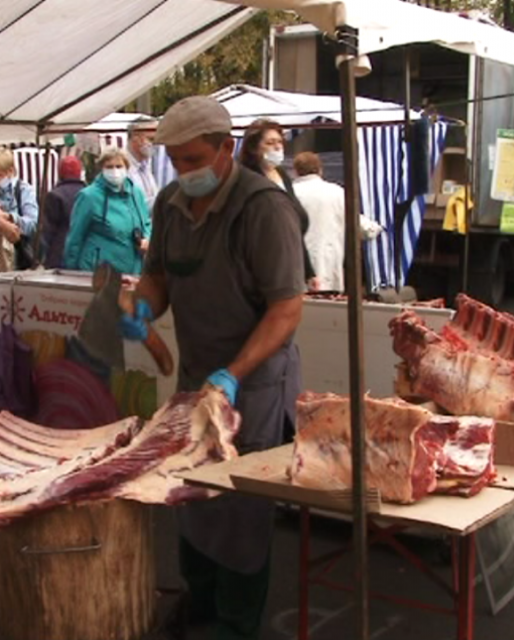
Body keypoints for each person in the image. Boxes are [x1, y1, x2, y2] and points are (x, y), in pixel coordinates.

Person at [121, 96, 304, 639]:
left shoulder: (264, 207)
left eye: (193, 160)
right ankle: (200, 601)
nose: (183, 172)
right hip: (196, 375)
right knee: (191, 492)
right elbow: (159, 275)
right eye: (174, 161)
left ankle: (237, 620)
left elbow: (287, 309)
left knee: (241, 504)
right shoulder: (171, 203)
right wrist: (144, 308)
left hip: (255, 380)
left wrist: (235, 372)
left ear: (228, 148)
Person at [239, 119, 318, 291]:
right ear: (253, 148)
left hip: (291, 261)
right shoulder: (245, 179)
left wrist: (309, 272)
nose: (277, 147)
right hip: (262, 268)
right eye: (269, 143)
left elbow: (295, 227)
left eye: (279, 142)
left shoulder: (282, 175)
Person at [291, 152, 383, 292]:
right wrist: (377, 228)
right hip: (328, 269)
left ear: (295, 171)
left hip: (294, 270)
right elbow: (362, 227)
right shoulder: (336, 192)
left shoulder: (286, 193)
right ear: (320, 170)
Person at [64, 150, 150, 275]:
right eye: (109, 167)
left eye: (119, 166)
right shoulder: (89, 196)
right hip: (98, 272)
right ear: (101, 169)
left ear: (126, 168)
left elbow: (146, 223)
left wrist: (147, 239)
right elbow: (75, 237)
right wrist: (70, 272)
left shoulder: (136, 193)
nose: (115, 171)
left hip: (133, 270)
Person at [41, 155, 86, 269]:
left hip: (59, 255)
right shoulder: (89, 194)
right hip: (84, 254)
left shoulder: (54, 195)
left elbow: (47, 231)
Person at [124, 119, 160, 211]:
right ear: (135, 137)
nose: (155, 144)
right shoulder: (121, 167)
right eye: (151, 139)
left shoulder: (146, 166)